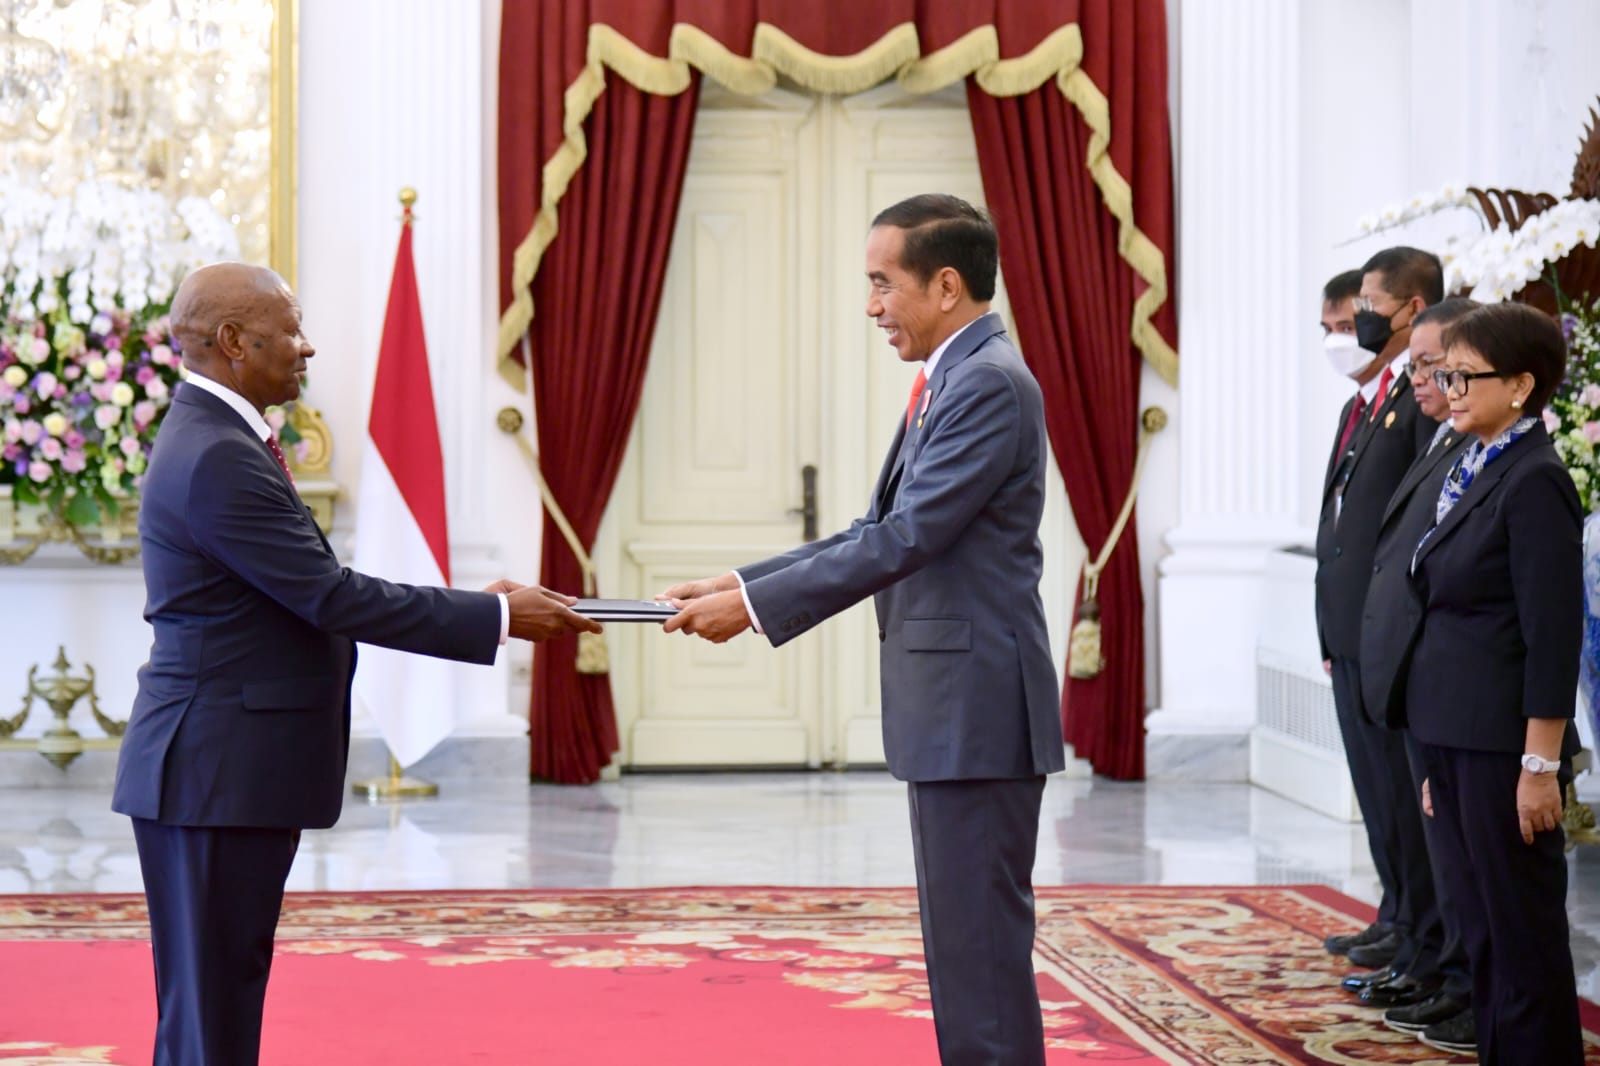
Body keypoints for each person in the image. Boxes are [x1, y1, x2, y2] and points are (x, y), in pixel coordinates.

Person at [110, 263, 601, 1065]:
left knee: (213, 1006)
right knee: (210, 1016)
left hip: (221, 770)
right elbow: (328, 597)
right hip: (212, 773)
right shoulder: (216, 453)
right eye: (290, 329)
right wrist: (498, 618)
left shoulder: (218, 437)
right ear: (233, 341)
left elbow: (310, 591)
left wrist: (484, 607)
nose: (307, 347)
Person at [661, 193, 1064, 1065]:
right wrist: (742, 582)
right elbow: (872, 528)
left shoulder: (986, 383)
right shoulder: (955, 376)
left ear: (946, 285)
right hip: (956, 712)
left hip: (978, 712)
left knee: (980, 958)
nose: (871, 306)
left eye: (883, 283)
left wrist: (755, 612)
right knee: (963, 951)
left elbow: (908, 538)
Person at [1406, 301, 1583, 1063]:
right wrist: (1430, 755)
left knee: (1520, 934)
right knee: (1479, 930)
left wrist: (1540, 765)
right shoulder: (1472, 464)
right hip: (1451, 736)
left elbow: (1552, 635)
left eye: (1463, 376)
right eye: (1444, 374)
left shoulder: (1535, 478)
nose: (1448, 389)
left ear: (1519, 385)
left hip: (1502, 746)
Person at [1314, 249, 1441, 981]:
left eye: (1364, 308)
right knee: (1376, 788)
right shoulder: (1362, 406)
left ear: (1411, 309)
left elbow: (1414, 524)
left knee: (1401, 790)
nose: (1354, 324)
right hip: (1349, 630)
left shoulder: (1415, 406)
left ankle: (1419, 932)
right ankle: (1397, 913)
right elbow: (1338, 525)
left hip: (1386, 632)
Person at [1356, 297, 1477, 1046]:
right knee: (1438, 848)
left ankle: (1465, 983)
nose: (1423, 379)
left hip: (1465, 690)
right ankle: (1442, 968)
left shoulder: (1494, 458)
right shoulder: (1441, 440)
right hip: (1418, 675)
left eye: (1437, 367)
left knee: (1471, 865)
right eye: (1420, 365)